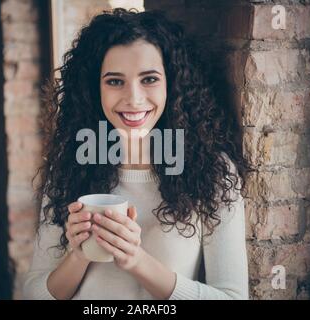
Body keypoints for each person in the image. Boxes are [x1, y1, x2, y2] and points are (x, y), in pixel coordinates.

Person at [23, 8, 250, 300]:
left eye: (149, 79)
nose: (133, 98)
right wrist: (78, 255)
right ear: (95, 89)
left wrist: (135, 260)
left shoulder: (213, 171)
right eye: (115, 81)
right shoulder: (69, 167)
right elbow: (33, 293)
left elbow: (233, 297)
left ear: (173, 84)